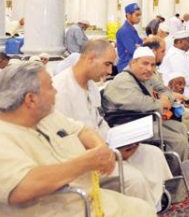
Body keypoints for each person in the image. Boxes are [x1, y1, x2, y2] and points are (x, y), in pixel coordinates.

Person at [0, 62, 156, 217]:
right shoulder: (5, 136)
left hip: (86, 198)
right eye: (50, 87)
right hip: (56, 210)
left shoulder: (48, 116)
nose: (55, 92)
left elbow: (82, 130)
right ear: (31, 99)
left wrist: (101, 149)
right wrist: (86, 162)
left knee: (141, 207)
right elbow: (21, 188)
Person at [53, 39, 172, 209]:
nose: (109, 71)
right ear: (90, 58)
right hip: (85, 162)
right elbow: (65, 143)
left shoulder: (91, 86)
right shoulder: (60, 90)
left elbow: (99, 121)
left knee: (153, 155)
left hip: (107, 146)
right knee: (134, 179)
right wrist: (111, 151)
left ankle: (150, 208)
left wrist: (120, 142)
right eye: (107, 64)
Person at [102, 46, 189, 162]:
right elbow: (142, 104)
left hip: (144, 118)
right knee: (178, 141)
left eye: (152, 65)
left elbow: (165, 90)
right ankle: (174, 174)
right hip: (126, 124)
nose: (149, 68)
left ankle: (177, 165)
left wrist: (165, 98)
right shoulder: (123, 81)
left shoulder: (146, 76)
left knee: (181, 128)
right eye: (145, 63)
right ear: (133, 63)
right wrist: (163, 103)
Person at [166, 72, 189, 139]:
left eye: (184, 84)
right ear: (171, 84)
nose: (182, 87)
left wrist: (184, 102)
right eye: (179, 84)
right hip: (169, 113)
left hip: (176, 107)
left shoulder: (176, 93)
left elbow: (179, 101)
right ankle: (184, 137)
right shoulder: (166, 91)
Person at [116, 3, 143, 72]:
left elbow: (141, 44)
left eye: (140, 15)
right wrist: (139, 47)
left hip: (134, 64)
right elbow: (134, 51)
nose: (139, 17)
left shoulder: (131, 29)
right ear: (128, 15)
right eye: (137, 15)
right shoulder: (125, 31)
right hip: (126, 66)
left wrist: (139, 46)